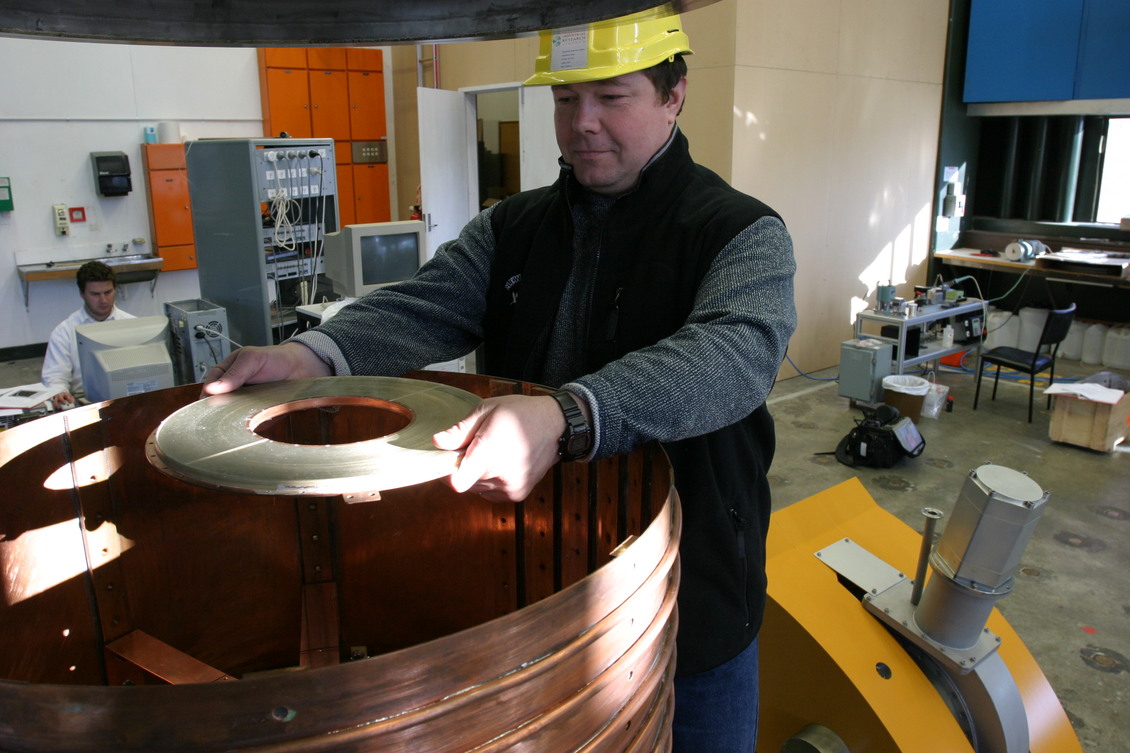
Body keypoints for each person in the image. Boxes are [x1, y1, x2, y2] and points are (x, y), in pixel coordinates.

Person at [203, 6, 796, 750]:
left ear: (673, 95)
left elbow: (733, 355)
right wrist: (312, 354)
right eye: (565, 98)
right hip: (540, 589)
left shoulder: (740, 233)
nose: (582, 123)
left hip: (692, 599)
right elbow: (426, 304)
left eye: (612, 98)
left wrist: (567, 415)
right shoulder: (512, 227)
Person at [41, 260, 135, 409]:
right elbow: (55, 377)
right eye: (95, 294)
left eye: (108, 292)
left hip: (127, 397)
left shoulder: (133, 324)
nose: (103, 300)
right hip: (83, 402)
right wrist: (60, 392)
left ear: (115, 289)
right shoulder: (64, 331)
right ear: (82, 294)